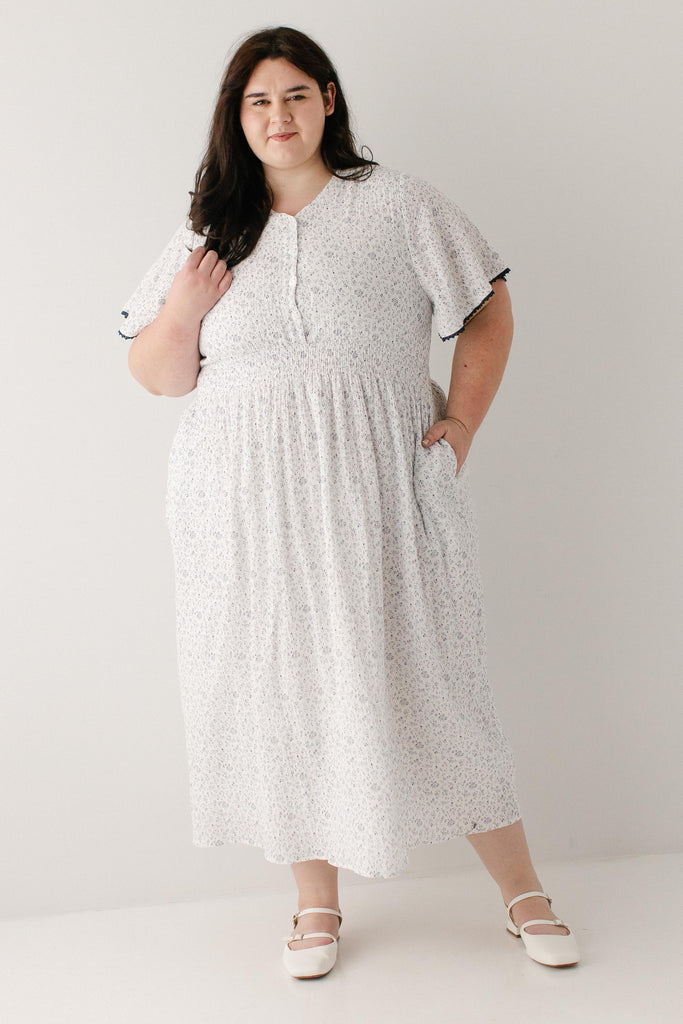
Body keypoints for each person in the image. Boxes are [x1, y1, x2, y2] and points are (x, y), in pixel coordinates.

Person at [117, 25, 581, 979]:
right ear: (236, 118)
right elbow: (160, 376)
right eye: (257, 101)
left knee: (437, 683)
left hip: (378, 494)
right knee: (281, 692)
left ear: (327, 100)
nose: (277, 116)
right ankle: (315, 902)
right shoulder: (212, 230)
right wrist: (184, 311)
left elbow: (486, 307)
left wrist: (461, 422)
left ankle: (523, 891)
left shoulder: (397, 204)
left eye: (294, 94)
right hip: (243, 508)